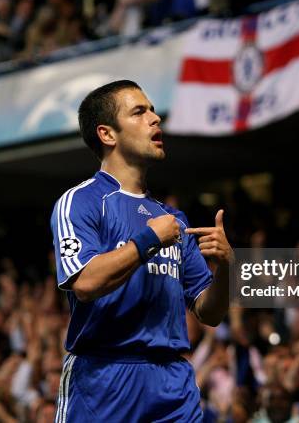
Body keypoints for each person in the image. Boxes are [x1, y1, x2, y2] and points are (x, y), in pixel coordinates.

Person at [50, 79, 232, 422]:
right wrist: (147, 241)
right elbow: (86, 283)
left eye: (152, 109)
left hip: (173, 381)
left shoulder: (173, 219)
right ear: (107, 134)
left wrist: (225, 269)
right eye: (139, 112)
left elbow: (210, 313)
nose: (155, 118)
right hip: (104, 379)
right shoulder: (80, 202)